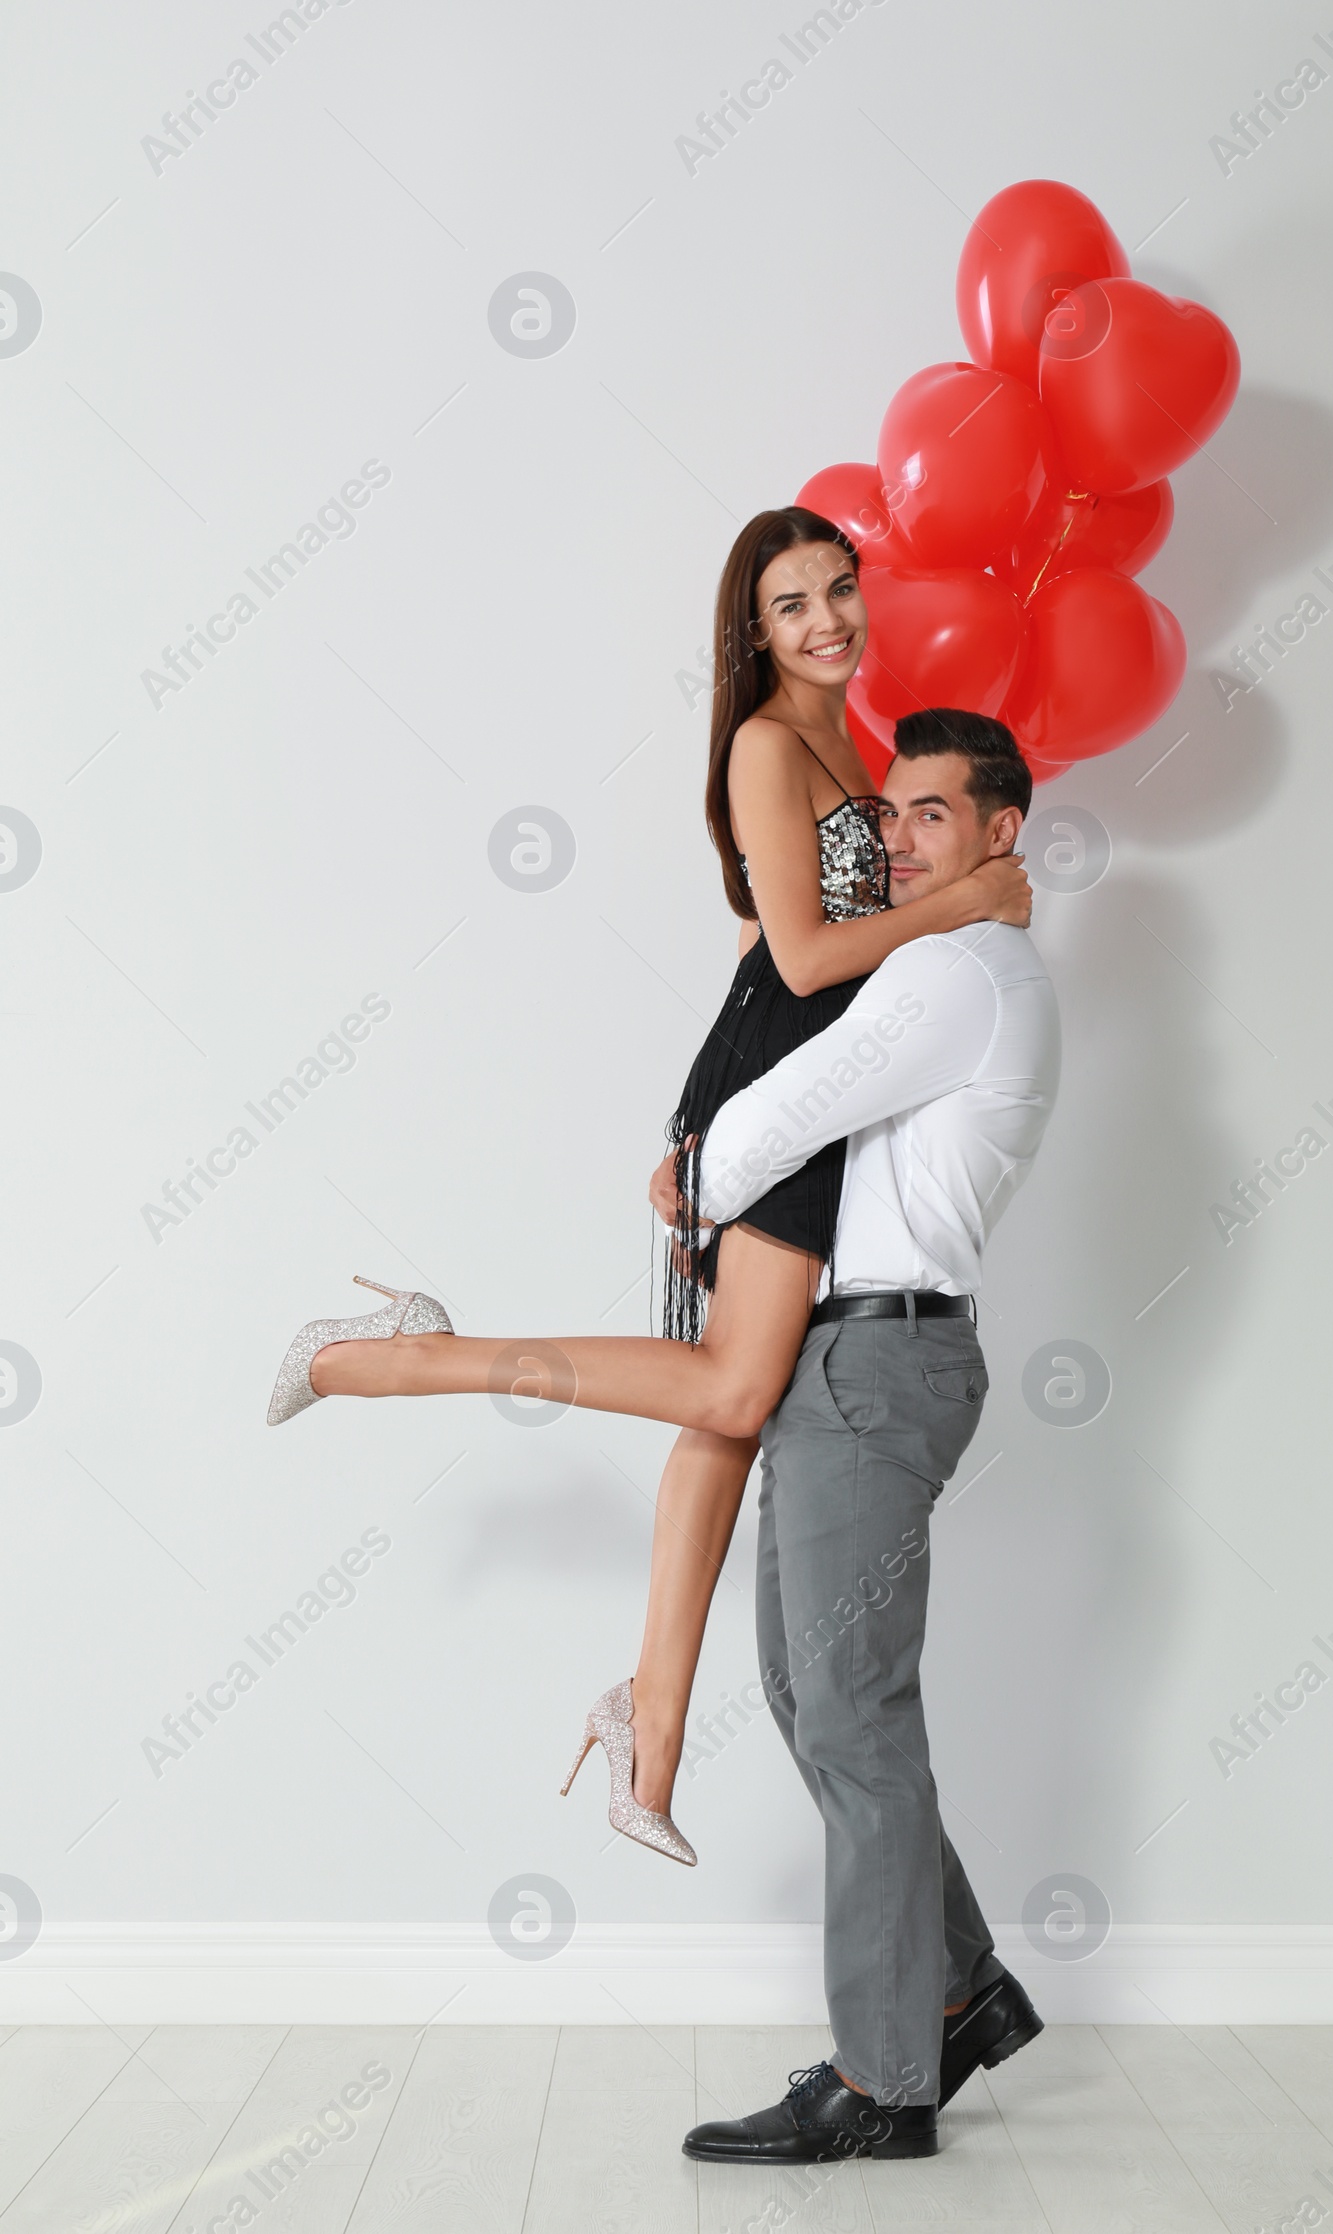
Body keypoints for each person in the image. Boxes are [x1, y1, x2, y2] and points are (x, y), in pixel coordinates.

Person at [265, 507, 1030, 1865]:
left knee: (725, 1422)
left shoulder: (860, 742)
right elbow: (797, 958)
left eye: (841, 591)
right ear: (755, 631)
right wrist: (963, 909)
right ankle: (406, 1350)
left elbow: (752, 928)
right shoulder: (761, 742)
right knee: (736, 1387)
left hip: (800, 1088)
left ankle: (649, 1726)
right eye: (794, 605)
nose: (829, 622)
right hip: (781, 1082)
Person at [675, 708, 1061, 2164]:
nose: (897, 838)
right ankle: (959, 1989)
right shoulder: (946, 958)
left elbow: (785, 1115)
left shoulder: (955, 971)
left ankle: (884, 2076)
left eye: (934, 816)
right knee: (808, 1689)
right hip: (854, 1359)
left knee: (850, 1711)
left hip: (877, 1362)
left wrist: (697, 1162)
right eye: (889, 813)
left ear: (1002, 833)